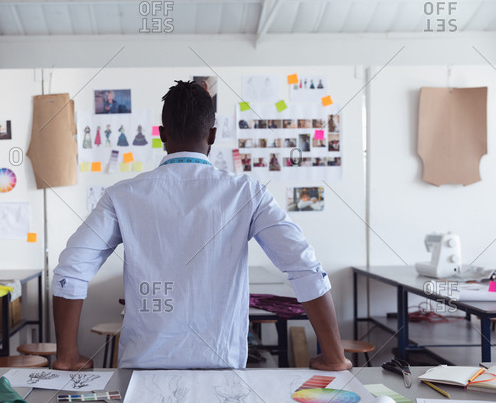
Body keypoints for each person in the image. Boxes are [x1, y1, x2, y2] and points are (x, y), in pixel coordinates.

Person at [52, 80, 351, 371]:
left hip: (142, 373)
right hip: (221, 368)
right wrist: (334, 358)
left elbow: (71, 268)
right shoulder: (247, 192)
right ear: (212, 135)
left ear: (161, 134)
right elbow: (305, 266)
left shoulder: (122, 195)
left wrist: (68, 357)